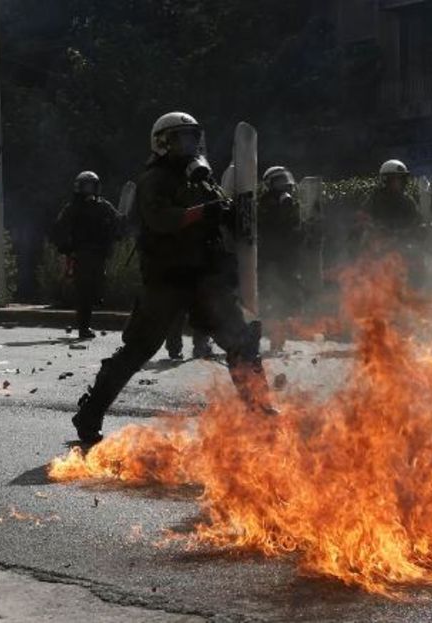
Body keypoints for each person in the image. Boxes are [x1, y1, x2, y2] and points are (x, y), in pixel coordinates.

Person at [71, 112, 274, 444]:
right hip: (167, 279)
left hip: (205, 279)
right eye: (181, 138)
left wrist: (233, 214)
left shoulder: (203, 179)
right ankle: (90, 413)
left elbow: (222, 215)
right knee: (138, 349)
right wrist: (203, 212)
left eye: (193, 137)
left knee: (241, 342)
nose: (190, 144)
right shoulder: (155, 179)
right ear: (162, 142)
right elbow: (161, 219)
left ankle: (261, 414)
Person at [50, 171, 123, 339]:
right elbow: (59, 229)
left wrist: (119, 229)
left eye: (92, 186)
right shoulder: (73, 208)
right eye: (86, 186)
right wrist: (67, 248)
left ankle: (87, 322)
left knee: (97, 289)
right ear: (79, 187)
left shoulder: (103, 206)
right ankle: (84, 328)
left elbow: (117, 221)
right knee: (84, 292)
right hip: (82, 255)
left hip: (99, 255)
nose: (90, 190)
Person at [258, 166, 305, 352]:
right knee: (272, 299)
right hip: (270, 260)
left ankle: (279, 340)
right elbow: (267, 228)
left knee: (287, 299)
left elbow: (294, 229)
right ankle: (270, 340)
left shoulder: (291, 203)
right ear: (270, 184)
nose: (284, 185)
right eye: (278, 181)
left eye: (284, 180)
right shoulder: (265, 203)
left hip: (287, 259)